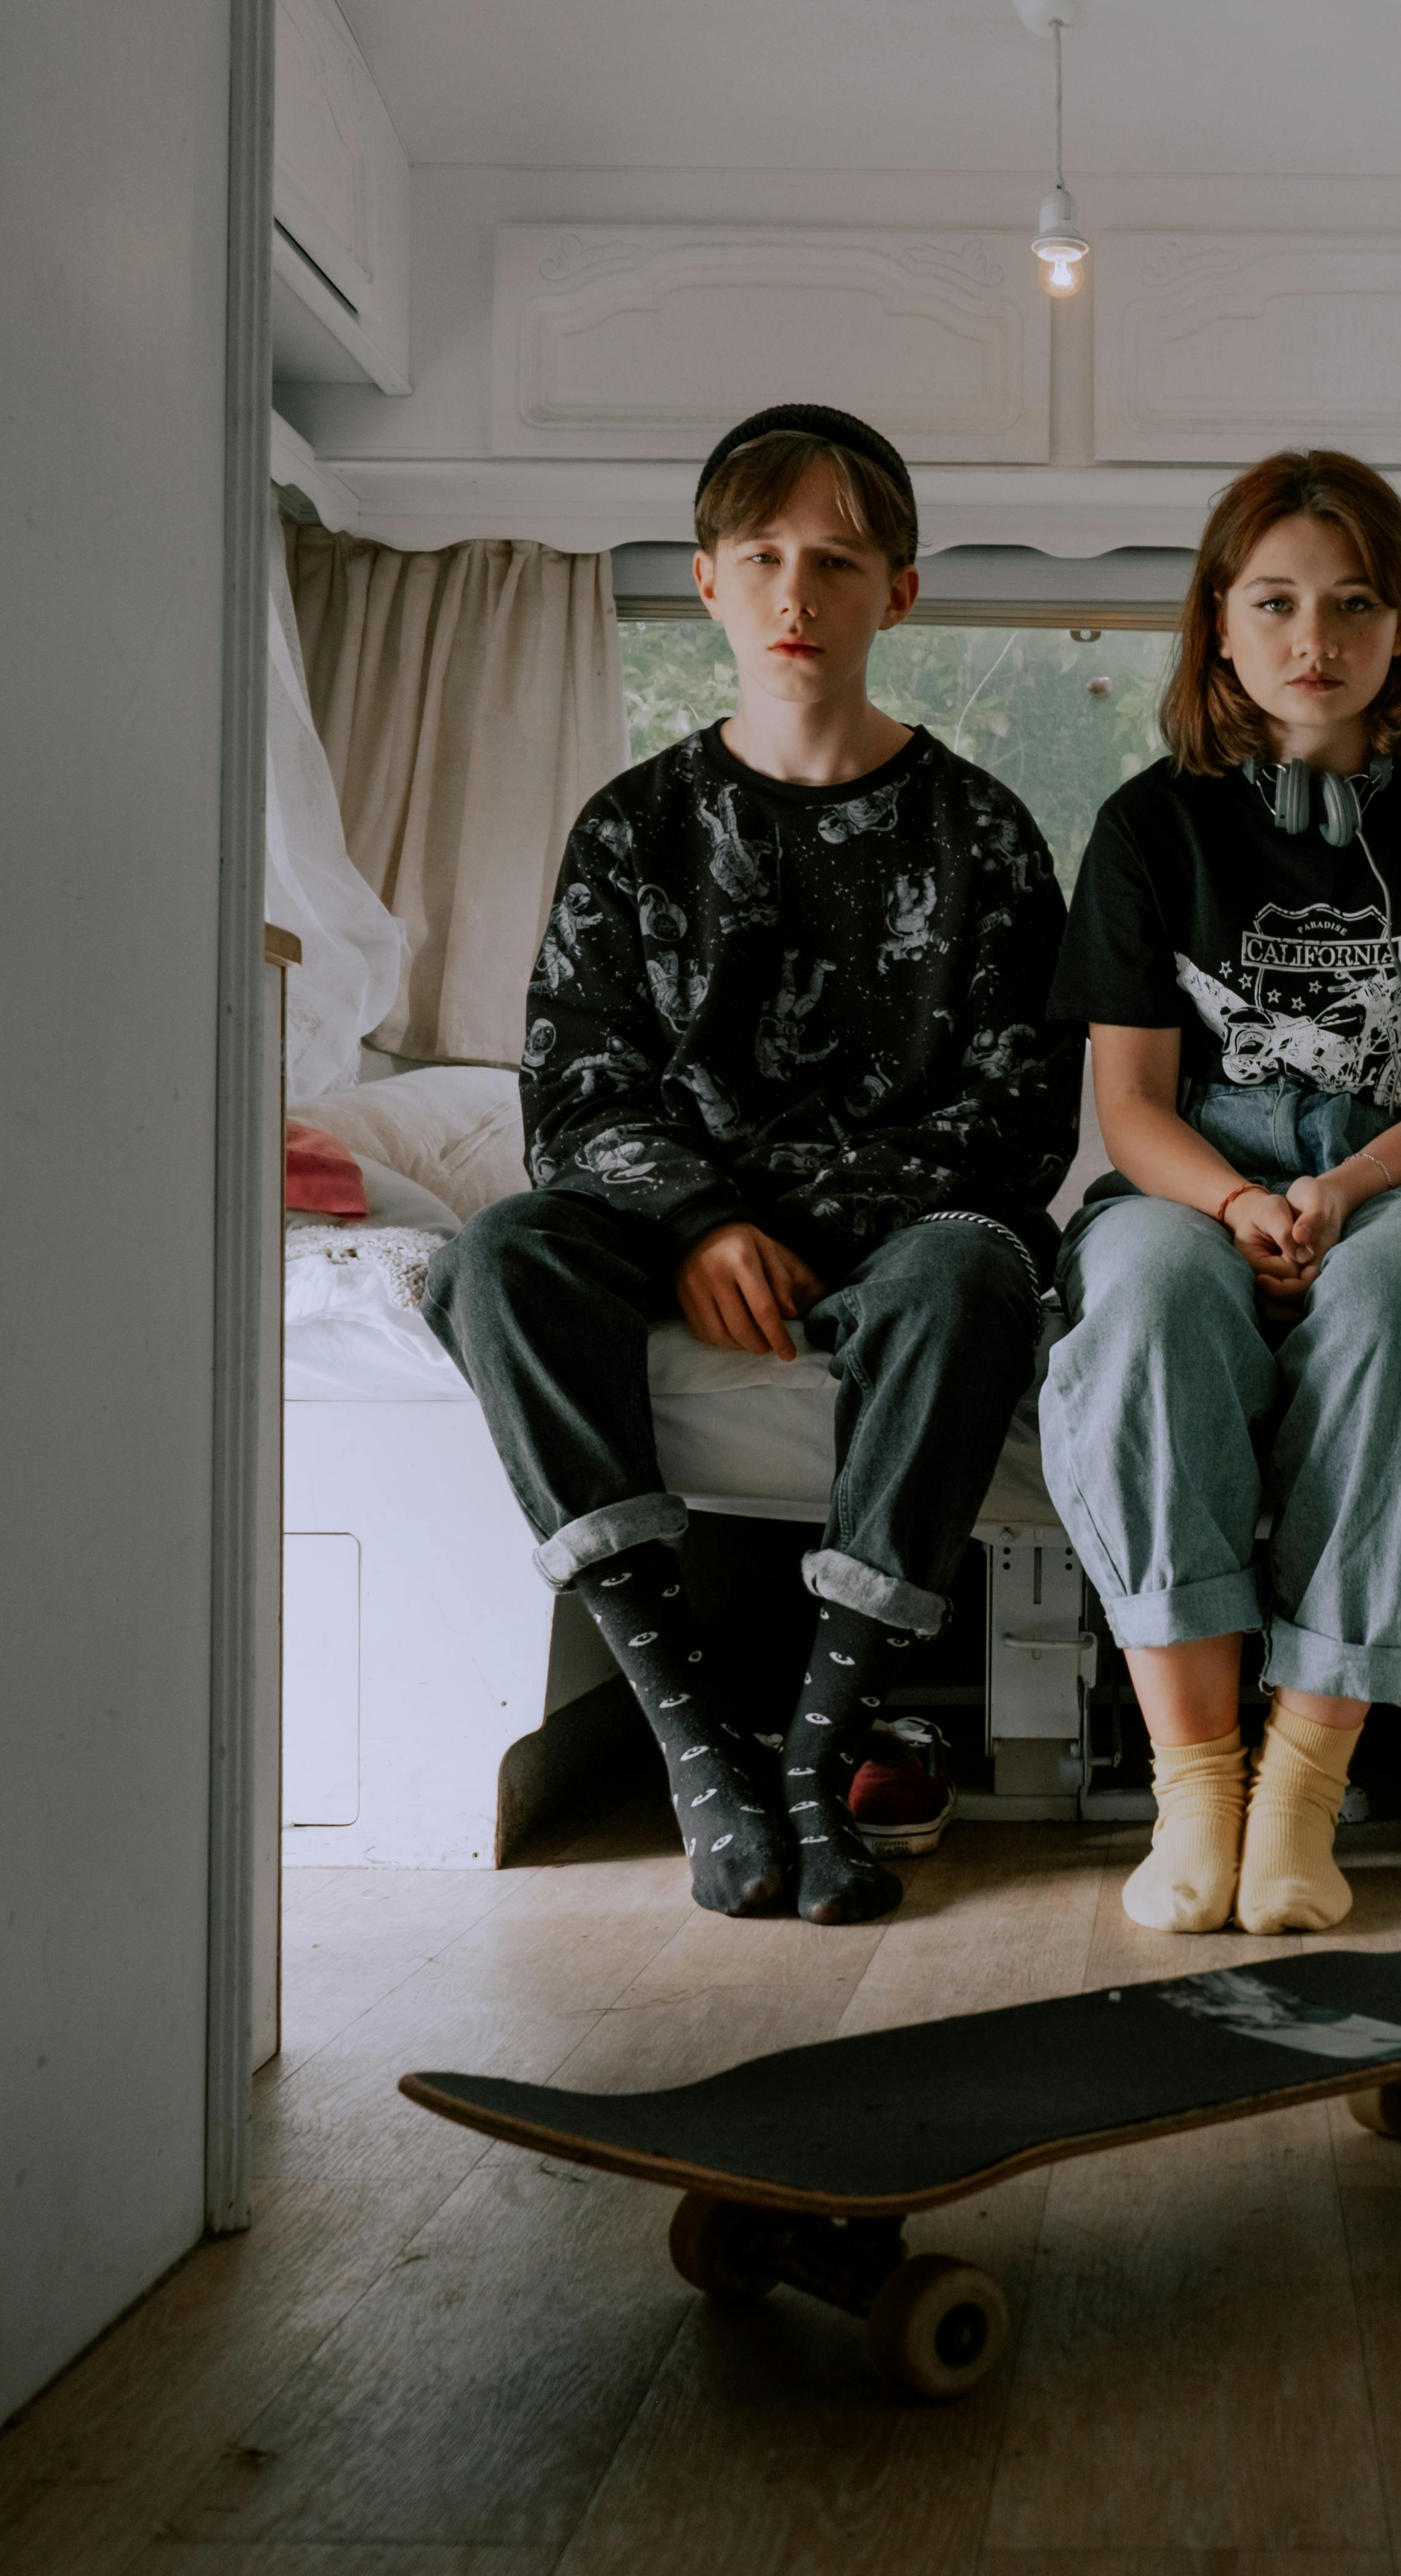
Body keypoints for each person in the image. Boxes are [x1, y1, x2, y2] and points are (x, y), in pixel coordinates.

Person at [425, 406, 1075, 1925]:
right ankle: (699, 1752)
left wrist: (799, 1229)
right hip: (665, 1232)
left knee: (982, 1266)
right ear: (709, 583)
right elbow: (574, 1090)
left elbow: (1021, 1112)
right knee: (498, 1253)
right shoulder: (635, 827)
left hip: (903, 1243)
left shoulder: (985, 836)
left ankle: (819, 1752)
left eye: (837, 561)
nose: (799, 594)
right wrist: (707, 1225)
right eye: (764, 556)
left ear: (897, 594)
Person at [1040, 450, 1401, 1936]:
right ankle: (1198, 1780)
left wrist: (1337, 1191)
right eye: (1275, 603)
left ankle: (1305, 1789)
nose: (1312, 639)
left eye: (1353, 603)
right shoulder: (1148, 827)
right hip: (1199, 1178)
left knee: (1397, 1299)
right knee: (1140, 1295)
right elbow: (1128, 1110)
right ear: (1219, 626)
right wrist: (1237, 1204)